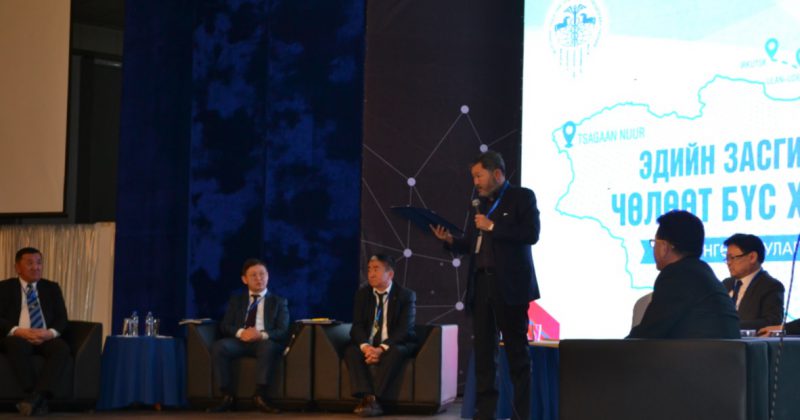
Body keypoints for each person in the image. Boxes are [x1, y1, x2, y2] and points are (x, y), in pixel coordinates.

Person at [430, 150, 539, 420]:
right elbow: (472, 243)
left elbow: (531, 234)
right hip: (481, 284)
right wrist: (451, 241)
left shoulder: (522, 197)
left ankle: (522, 415)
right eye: (473, 177)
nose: (475, 182)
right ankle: (485, 414)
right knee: (484, 355)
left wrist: (492, 226)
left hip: (509, 287)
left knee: (517, 354)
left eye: (479, 176)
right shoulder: (478, 205)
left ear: (497, 173)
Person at [628, 210, 740, 339]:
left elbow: (649, 331)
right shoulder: (700, 271)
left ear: (664, 247)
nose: (653, 249)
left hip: (699, 352)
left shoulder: (677, 275)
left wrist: (615, 348)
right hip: (718, 351)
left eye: (654, 243)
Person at [208, 258, 290, 413]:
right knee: (219, 347)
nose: (259, 278)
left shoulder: (278, 301)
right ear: (244, 279)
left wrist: (261, 335)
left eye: (262, 274)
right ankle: (227, 396)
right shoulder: (236, 300)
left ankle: (260, 395)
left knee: (268, 347)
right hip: (241, 341)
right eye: (253, 275)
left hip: (264, 341)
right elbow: (225, 325)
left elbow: (283, 330)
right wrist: (241, 333)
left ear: (268, 276)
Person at [344, 254, 416, 417]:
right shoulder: (362, 295)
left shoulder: (406, 295)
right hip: (369, 345)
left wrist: (381, 349)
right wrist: (367, 348)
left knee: (395, 352)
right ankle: (370, 398)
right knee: (351, 351)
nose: (371, 274)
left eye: (376, 269)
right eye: (369, 269)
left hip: (394, 344)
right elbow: (357, 326)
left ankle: (371, 399)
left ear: (390, 274)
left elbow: (404, 330)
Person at [0, 247, 70, 416]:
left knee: (61, 348)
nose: (36, 267)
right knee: (17, 345)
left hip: (44, 336)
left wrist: (50, 333)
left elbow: (62, 318)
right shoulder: (4, 287)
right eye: (30, 263)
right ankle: (36, 398)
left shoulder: (51, 287)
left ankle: (34, 398)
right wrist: (17, 331)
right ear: (18, 267)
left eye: (39, 263)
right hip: (17, 336)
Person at [721, 233, 784, 331]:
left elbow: (771, 322)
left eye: (732, 258)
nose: (728, 263)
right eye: (727, 259)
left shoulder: (771, 286)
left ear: (752, 257)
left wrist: (731, 325)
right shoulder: (726, 284)